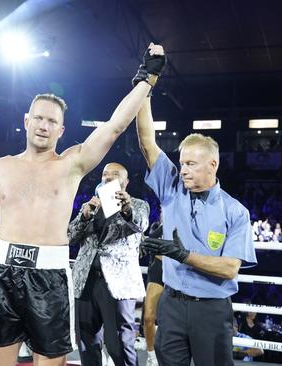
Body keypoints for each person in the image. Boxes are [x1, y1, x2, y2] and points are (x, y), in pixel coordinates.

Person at [0, 43, 166, 366]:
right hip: (3, 272)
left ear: (61, 130)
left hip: (49, 277)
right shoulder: (2, 167)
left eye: (51, 121)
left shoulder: (71, 163)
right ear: (26, 121)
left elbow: (115, 125)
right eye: (38, 118)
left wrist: (147, 78)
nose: (44, 125)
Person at [137, 96, 258, 366]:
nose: (182, 170)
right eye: (182, 163)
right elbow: (148, 143)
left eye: (191, 164)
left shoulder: (235, 211)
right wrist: (145, 90)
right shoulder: (172, 190)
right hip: (172, 304)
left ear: (212, 165)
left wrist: (184, 255)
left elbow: (229, 269)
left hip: (212, 309)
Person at [67, 162, 150, 366]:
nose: (108, 177)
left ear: (126, 182)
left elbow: (139, 224)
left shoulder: (138, 205)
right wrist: (85, 216)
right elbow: (70, 235)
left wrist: (126, 207)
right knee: (87, 342)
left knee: (119, 343)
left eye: (115, 174)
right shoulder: (92, 205)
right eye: (105, 174)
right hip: (86, 281)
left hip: (117, 284)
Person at [142, 221, 164, 366]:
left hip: (182, 270)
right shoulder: (159, 226)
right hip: (159, 268)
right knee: (149, 316)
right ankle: (151, 356)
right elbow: (148, 243)